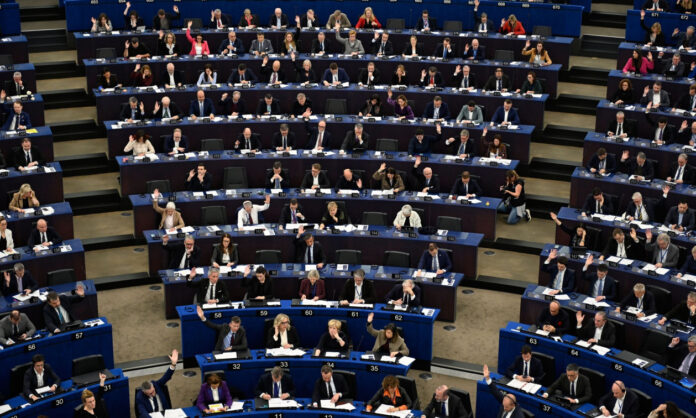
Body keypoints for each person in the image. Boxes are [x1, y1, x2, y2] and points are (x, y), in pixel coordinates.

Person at [135, 349, 178, 417]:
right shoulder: (140, 397)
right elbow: (143, 413)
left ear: (153, 386)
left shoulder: (156, 384)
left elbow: (166, 376)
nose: (153, 394)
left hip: (166, 414)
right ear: (144, 393)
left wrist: (173, 364)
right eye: (150, 393)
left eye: (153, 391)